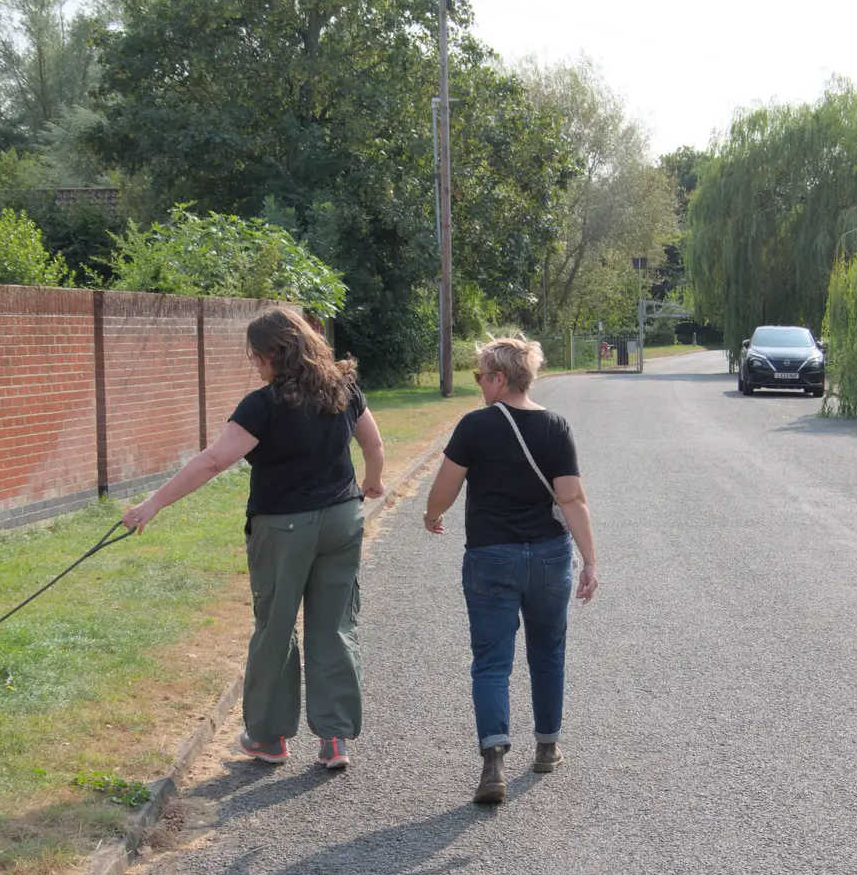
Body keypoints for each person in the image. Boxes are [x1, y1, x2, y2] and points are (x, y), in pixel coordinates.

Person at [122, 307, 384, 771]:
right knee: (335, 625)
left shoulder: (262, 406)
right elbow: (373, 445)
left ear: (271, 355)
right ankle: (335, 737)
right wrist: (373, 484)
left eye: (256, 356)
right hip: (343, 519)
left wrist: (153, 504)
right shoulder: (345, 389)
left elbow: (214, 461)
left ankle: (268, 738)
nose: (255, 365)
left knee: (276, 628)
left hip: (284, 527)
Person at [422, 336, 599, 804]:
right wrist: (591, 561)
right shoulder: (556, 427)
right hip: (548, 557)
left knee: (491, 662)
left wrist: (432, 516)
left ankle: (494, 761)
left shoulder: (474, 427)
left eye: (481, 376)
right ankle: (546, 746)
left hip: (490, 557)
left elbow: (445, 488)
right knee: (548, 652)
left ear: (500, 378)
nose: (479, 384)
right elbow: (572, 498)